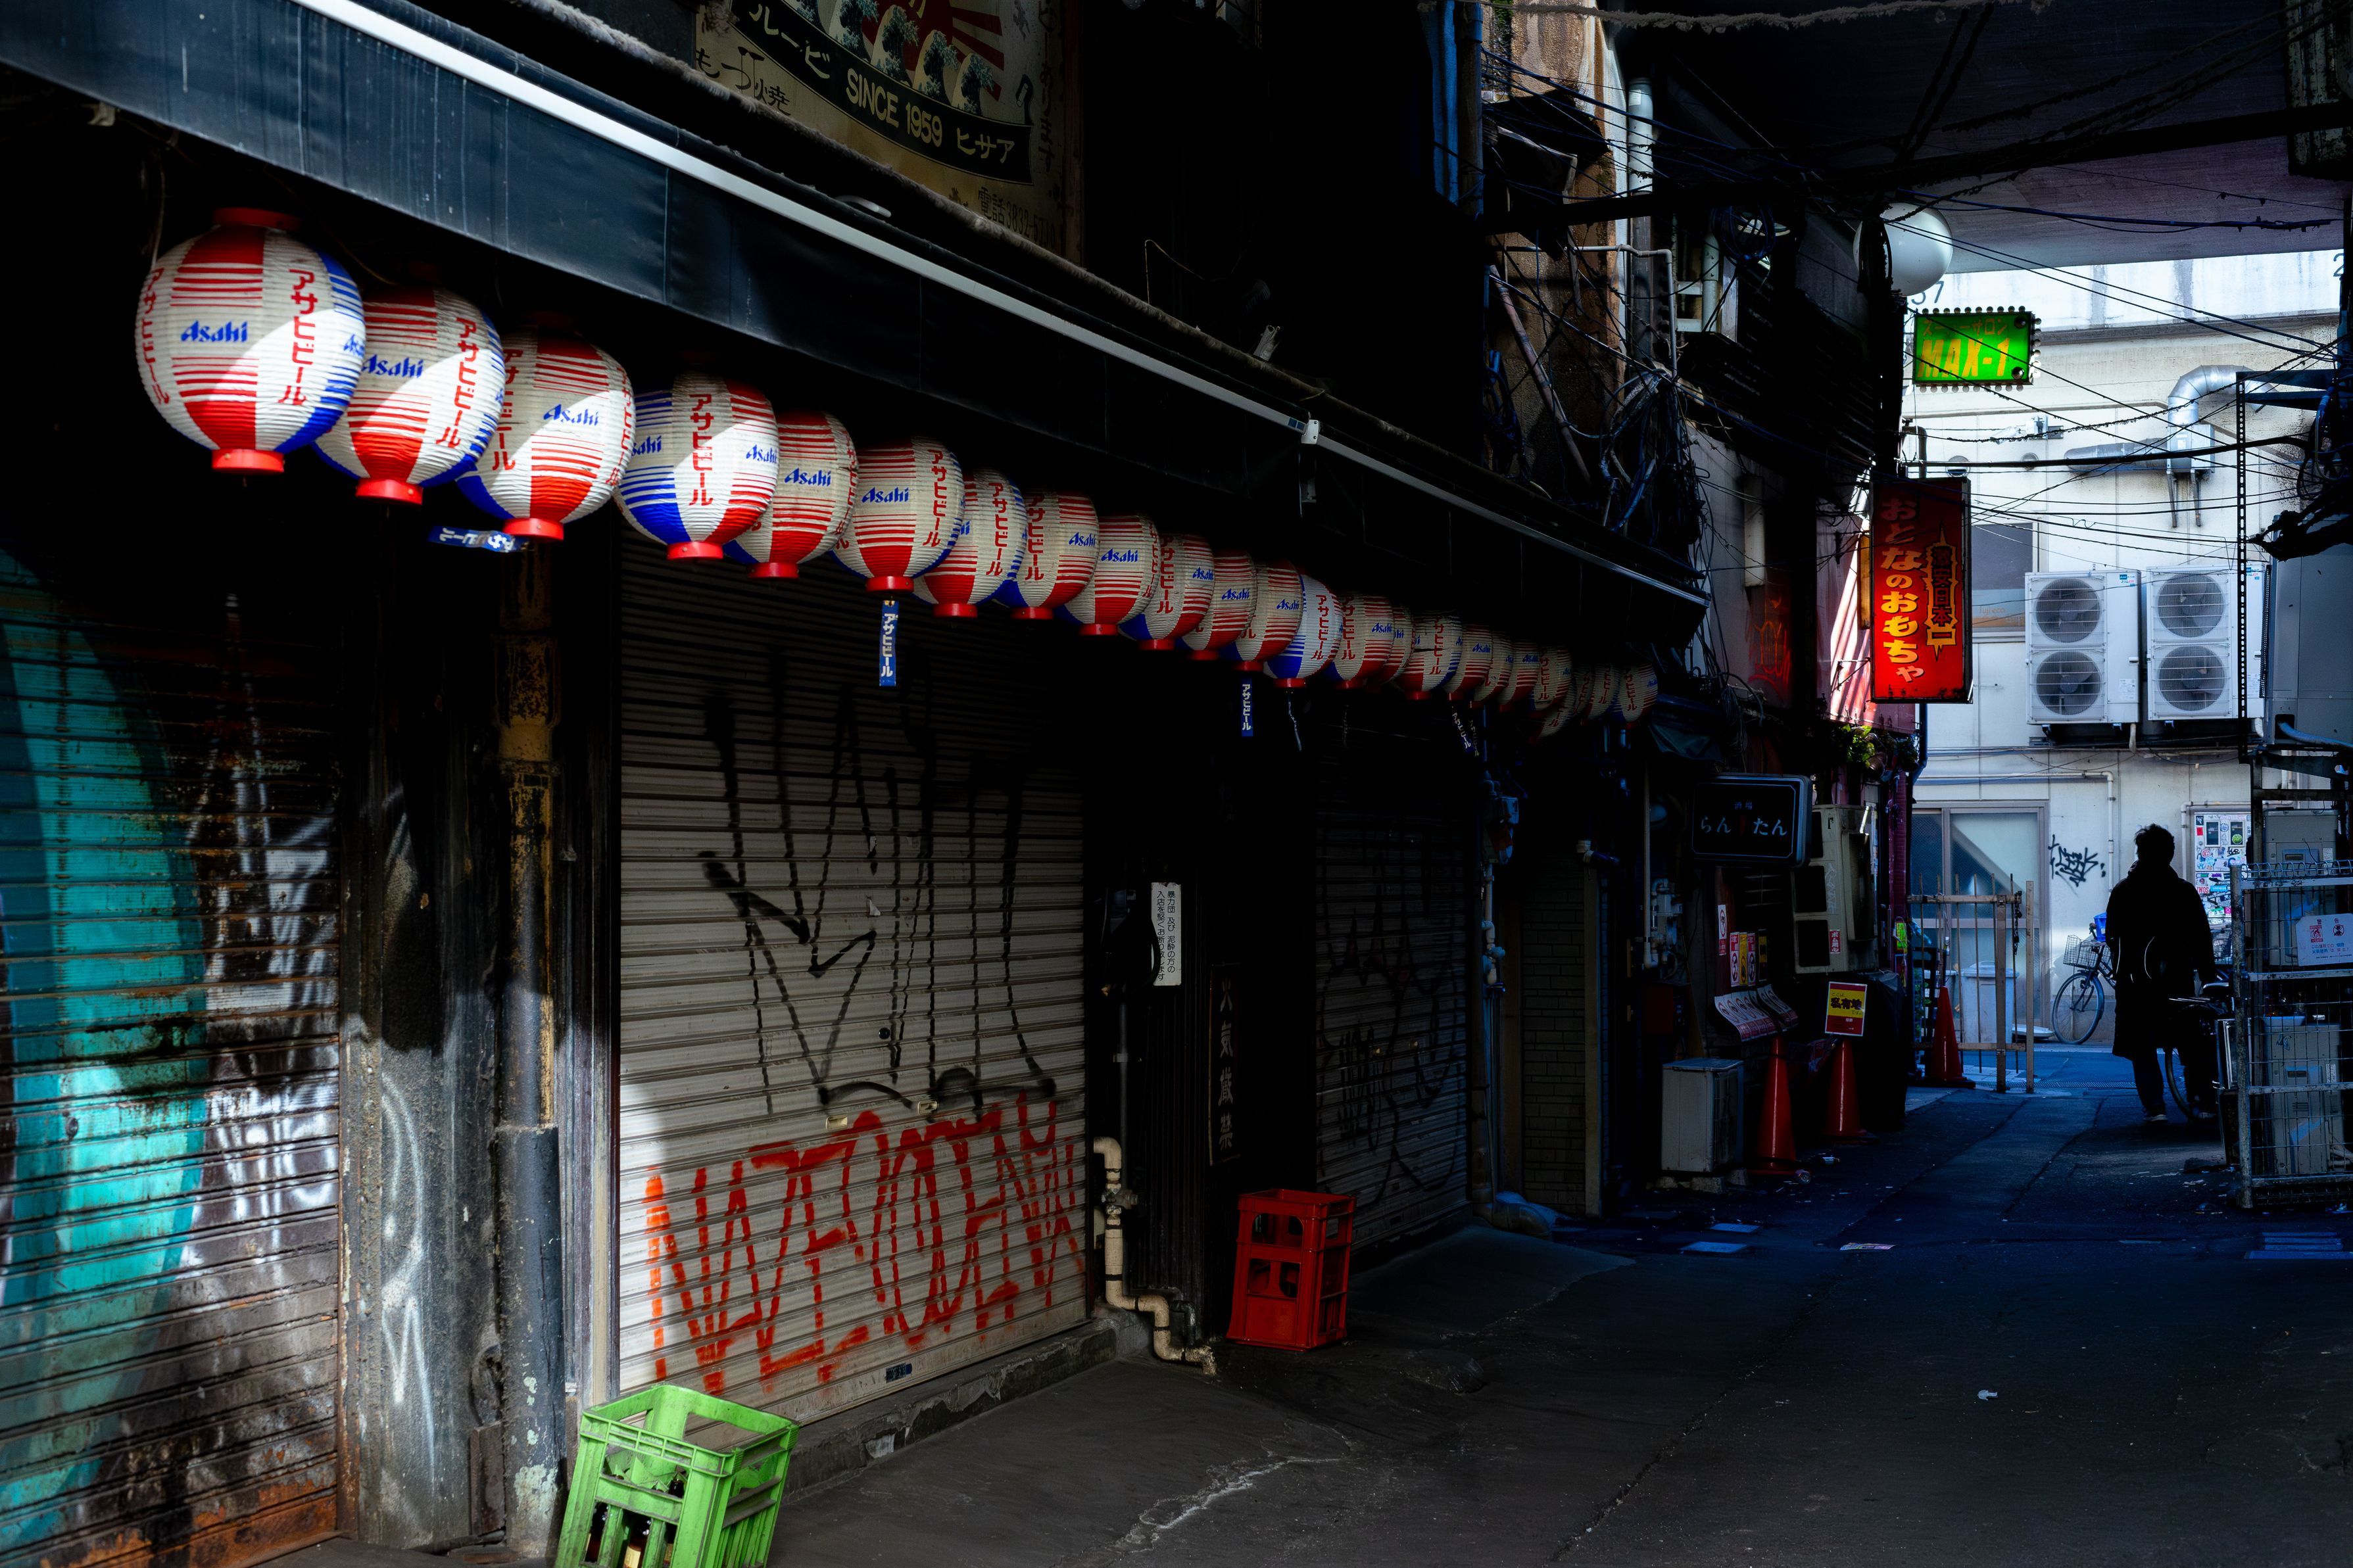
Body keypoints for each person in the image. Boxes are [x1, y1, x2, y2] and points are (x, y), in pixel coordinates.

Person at [2103, 824, 2220, 1125]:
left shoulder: (2123, 892)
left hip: (2135, 986)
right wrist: (2209, 978)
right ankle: (2202, 1102)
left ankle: (2155, 1108)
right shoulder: (2183, 891)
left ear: (2140, 853)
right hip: (2176, 984)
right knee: (2191, 1044)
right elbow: (2201, 939)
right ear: (2170, 854)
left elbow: (2112, 937)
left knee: (2142, 1048)